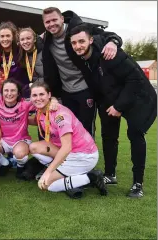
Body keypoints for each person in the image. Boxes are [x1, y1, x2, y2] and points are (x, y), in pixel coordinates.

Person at [69, 24, 157, 198]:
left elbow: (135, 79)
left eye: (81, 41)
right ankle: (110, 174)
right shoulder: (81, 58)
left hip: (137, 99)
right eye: (74, 43)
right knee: (108, 136)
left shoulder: (109, 53)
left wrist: (119, 106)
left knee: (135, 135)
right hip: (107, 100)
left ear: (91, 40)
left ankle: (137, 184)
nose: (78, 46)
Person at [41, 7, 123, 136]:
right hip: (66, 91)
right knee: (68, 128)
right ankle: (73, 156)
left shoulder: (78, 29)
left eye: (54, 20)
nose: (51, 24)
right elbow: (23, 41)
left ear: (62, 19)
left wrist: (113, 42)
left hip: (85, 89)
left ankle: (89, 155)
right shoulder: (46, 39)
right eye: (47, 22)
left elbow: (106, 35)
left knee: (85, 128)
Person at [28, 82, 107, 198]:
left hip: (83, 156)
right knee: (33, 147)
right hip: (69, 153)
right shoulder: (41, 110)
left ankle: (91, 177)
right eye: (34, 95)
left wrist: (48, 172)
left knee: (46, 185)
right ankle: (65, 173)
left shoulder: (61, 116)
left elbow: (67, 147)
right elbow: (36, 120)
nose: (38, 98)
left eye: (41, 94)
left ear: (49, 95)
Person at [0, 79, 59, 178]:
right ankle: (5, 163)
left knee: (20, 153)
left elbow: (43, 100)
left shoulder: (25, 104)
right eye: (6, 90)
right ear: (2, 92)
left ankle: (20, 168)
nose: (9, 94)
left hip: (20, 140)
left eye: (13, 90)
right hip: (3, 139)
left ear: (18, 93)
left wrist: (54, 100)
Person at [0, 22, 31, 98]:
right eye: (2, 36)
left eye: (8, 36)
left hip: (26, 92)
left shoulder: (21, 49)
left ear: (13, 37)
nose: (5, 39)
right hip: (9, 94)